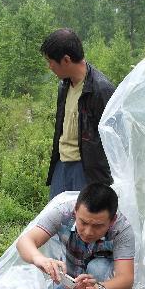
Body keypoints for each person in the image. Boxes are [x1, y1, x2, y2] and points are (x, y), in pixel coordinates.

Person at [17, 184, 135, 289]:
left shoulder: (122, 229)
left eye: (98, 226)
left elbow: (126, 279)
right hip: (73, 281)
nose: (88, 232)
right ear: (75, 211)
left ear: (112, 221)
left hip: (105, 287)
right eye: (83, 222)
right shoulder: (63, 212)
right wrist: (40, 259)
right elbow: (25, 241)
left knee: (98, 268)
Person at [41, 29, 116, 199]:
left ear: (66, 60)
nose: (49, 66)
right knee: (58, 222)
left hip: (86, 171)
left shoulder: (101, 89)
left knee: (82, 223)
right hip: (61, 165)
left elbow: (114, 140)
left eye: (50, 61)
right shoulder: (64, 85)